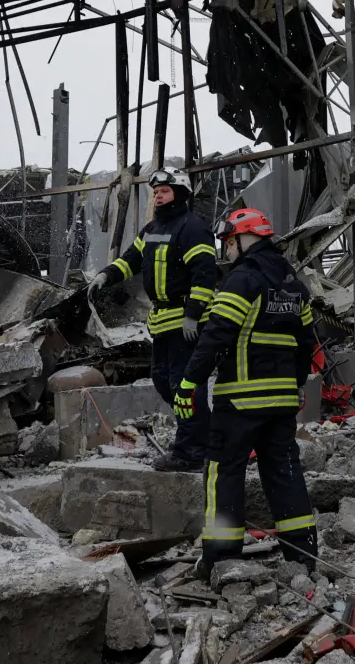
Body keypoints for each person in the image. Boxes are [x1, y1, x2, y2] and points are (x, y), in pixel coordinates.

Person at [173, 207, 320, 577]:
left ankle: (220, 558)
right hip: (282, 401)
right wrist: (296, 386)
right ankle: (302, 555)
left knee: (223, 470)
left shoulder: (243, 279)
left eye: (229, 241)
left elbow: (216, 335)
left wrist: (189, 382)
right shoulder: (293, 284)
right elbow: (307, 344)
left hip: (240, 398)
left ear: (244, 237)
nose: (227, 248)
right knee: (284, 470)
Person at [87, 168, 218, 471]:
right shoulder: (151, 229)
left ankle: (190, 453)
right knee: (163, 382)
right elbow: (131, 260)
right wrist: (106, 275)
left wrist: (193, 316)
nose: (158, 196)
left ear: (180, 194)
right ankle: (201, 435)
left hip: (186, 322)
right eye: (156, 192)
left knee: (184, 386)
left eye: (164, 191)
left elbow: (204, 274)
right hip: (162, 321)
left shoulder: (193, 228)